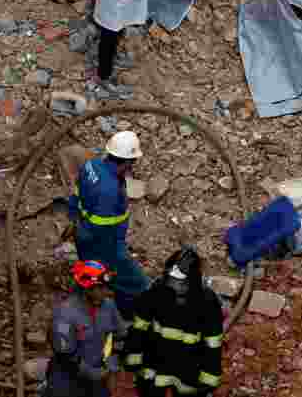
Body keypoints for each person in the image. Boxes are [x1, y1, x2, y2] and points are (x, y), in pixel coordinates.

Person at [68, 131, 151, 319]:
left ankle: (94, 289)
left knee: (96, 272)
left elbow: (76, 192)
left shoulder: (92, 165)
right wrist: (116, 257)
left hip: (83, 232)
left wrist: (74, 217)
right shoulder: (109, 190)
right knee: (137, 283)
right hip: (104, 244)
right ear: (128, 161)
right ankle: (125, 318)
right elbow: (103, 227)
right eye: (132, 162)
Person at [124, 246, 224, 397]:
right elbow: (139, 329)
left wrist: (209, 379)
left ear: (193, 279)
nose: (174, 286)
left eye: (180, 282)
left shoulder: (206, 302)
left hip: (188, 368)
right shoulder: (155, 292)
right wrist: (133, 359)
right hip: (154, 363)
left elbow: (213, 344)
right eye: (171, 280)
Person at [45, 260, 120, 397]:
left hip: (97, 373)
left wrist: (112, 363)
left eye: (106, 287)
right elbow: (64, 355)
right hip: (67, 378)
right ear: (86, 289)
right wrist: (89, 372)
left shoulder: (109, 307)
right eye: (101, 288)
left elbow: (119, 336)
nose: (106, 292)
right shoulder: (64, 314)